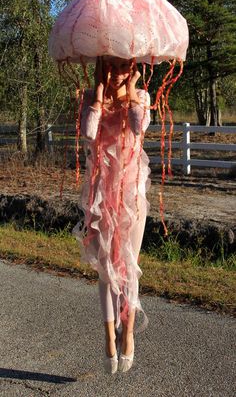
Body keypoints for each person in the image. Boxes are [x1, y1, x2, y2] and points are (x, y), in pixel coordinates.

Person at [72, 56, 151, 373]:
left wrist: (131, 94)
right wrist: (99, 97)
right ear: (102, 67)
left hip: (132, 197)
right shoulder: (90, 98)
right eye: (111, 66)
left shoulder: (141, 97)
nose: (118, 73)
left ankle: (128, 334)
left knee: (129, 267)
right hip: (102, 198)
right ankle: (108, 338)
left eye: (124, 67)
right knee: (106, 270)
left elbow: (138, 126)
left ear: (133, 69)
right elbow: (89, 134)